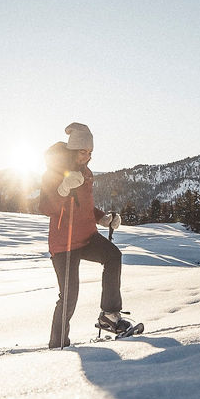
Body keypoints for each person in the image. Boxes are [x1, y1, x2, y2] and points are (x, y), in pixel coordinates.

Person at [39, 122, 129, 348]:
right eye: (82, 152)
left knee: (113, 256)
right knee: (69, 297)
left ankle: (109, 315)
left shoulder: (87, 174)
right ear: (72, 149)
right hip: (64, 244)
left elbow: (85, 207)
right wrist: (63, 188)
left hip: (87, 236)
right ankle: (58, 343)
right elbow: (45, 207)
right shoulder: (53, 172)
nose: (87, 157)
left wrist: (103, 218)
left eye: (90, 152)